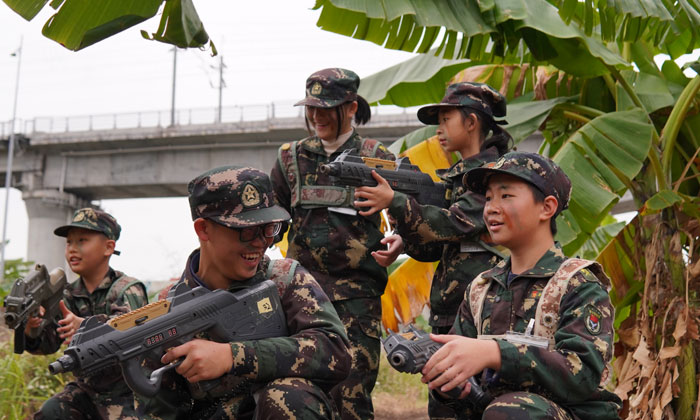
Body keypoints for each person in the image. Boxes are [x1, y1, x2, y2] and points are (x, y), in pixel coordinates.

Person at [138, 165, 351, 419]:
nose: (261, 241)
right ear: (203, 229)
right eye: (246, 230)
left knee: (287, 396)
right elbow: (162, 409)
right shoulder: (167, 310)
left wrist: (233, 356)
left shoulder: (283, 278)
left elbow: (335, 350)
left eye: (268, 228)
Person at [421, 152, 621, 419]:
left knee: (511, 411)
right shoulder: (481, 289)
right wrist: (450, 383)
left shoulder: (578, 285)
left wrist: (494, 353)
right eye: (488, 198)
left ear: (546, 208)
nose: (491, 207)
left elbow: (581, 374)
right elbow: (468, 398)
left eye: (506, 196)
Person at [271, 68, 395, 419]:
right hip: (300, 299)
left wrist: (397, 240)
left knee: (352, 398)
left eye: (327, 108)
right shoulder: (289, 159)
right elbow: (270, 220)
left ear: (352, 107)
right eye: (311, 108)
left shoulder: (376, 157)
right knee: (297, 393)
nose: (317, 116)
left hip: (357, 301)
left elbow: (405, 210)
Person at [355, 82, 512, 332]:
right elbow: (438, 246)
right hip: (455, 310)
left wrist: (395, 201)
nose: (439, 130)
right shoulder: (458, 177)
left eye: (446, 120)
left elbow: (455, 224)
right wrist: (405, 238)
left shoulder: (493, 174)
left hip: (484, 310)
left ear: (471, 123)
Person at [29, 208, 148, 420]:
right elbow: (48, 344)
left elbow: (131, 332)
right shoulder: (68, 294)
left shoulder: (127, 289)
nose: (72, 249)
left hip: (129, 390)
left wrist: (86, 327)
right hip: (88, 390)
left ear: (108, 247)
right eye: (69, 242)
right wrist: (32, 327)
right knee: (52, 411)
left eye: (82, 240)